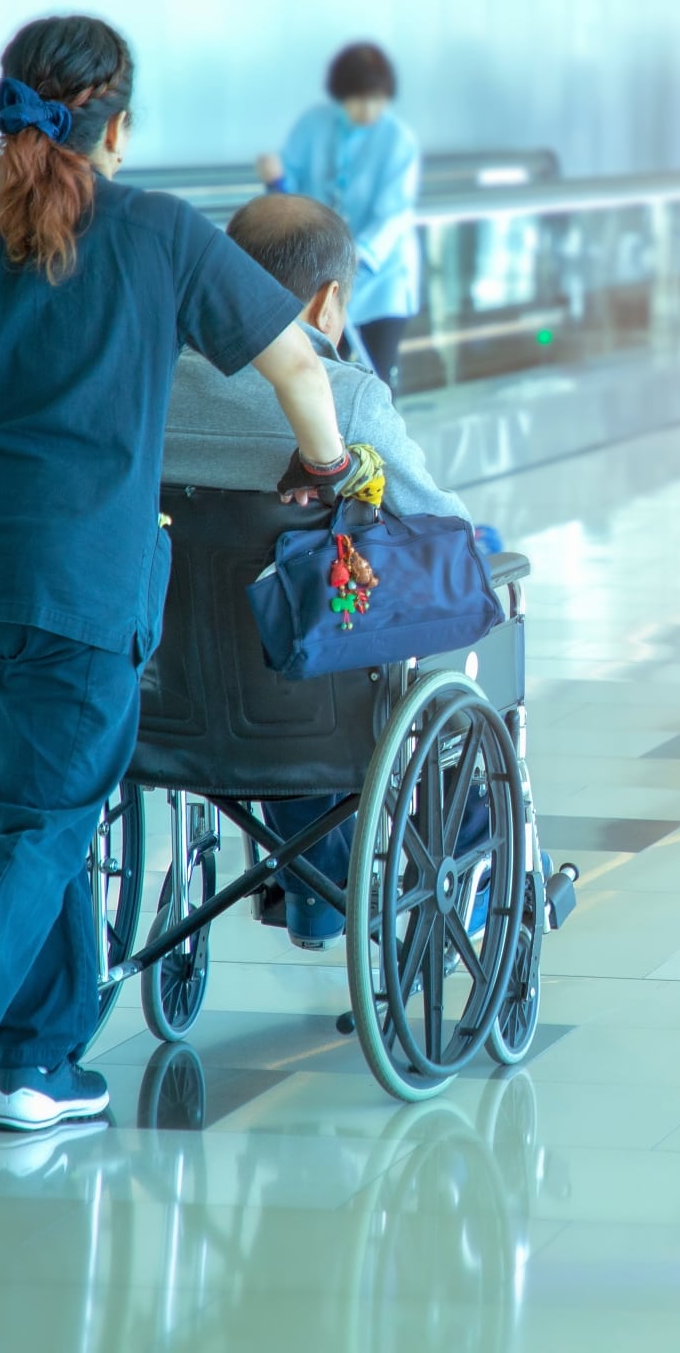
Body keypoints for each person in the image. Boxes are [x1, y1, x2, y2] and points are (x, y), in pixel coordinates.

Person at [0, 15, 348, 1186]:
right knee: (46, 816)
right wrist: (321, 470)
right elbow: (297, 364)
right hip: (75, 571)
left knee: (13, 805)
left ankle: (40, 1067)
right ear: (117, 124)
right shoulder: (158, 233)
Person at [160, 193, 471, 948]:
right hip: (304, 714)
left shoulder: (152, 385)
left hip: (164, 704)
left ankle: (312, 893)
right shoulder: (346, 399)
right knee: (351, 653)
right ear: (329, 300)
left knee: (276, 663)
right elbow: (440, 527)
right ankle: (439, 877)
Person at [257, 43, 423, 392]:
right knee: (320, 373)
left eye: (378, 99)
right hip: (323, 277)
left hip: (380, 278)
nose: (369, 109)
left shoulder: (398, 141)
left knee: (377, 377)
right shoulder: (314, 125)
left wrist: (353, 257)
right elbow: (291, 190)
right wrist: (276, 180)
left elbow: (393, 216)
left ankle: (377, 445)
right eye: (360, 99)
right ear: (341, 95)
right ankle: (328, 446)